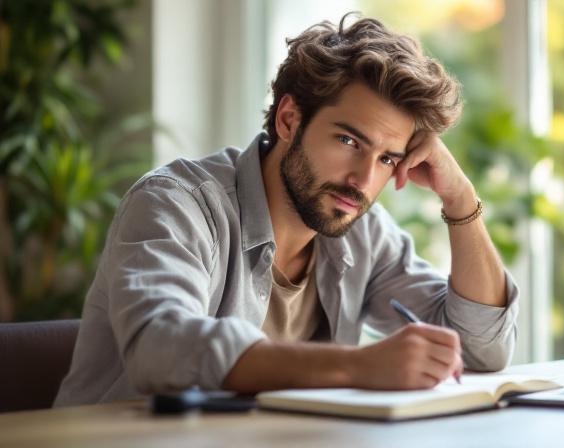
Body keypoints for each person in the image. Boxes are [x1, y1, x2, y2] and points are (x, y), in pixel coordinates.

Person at [54, 13, 519, 407]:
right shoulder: (176, 203)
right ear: (289, 119)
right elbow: (162, 347)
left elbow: (481, 349)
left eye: (387, 159)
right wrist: (359, 367)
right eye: (348, 141)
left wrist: (460, 199)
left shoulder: (361, 230)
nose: (363, 181)